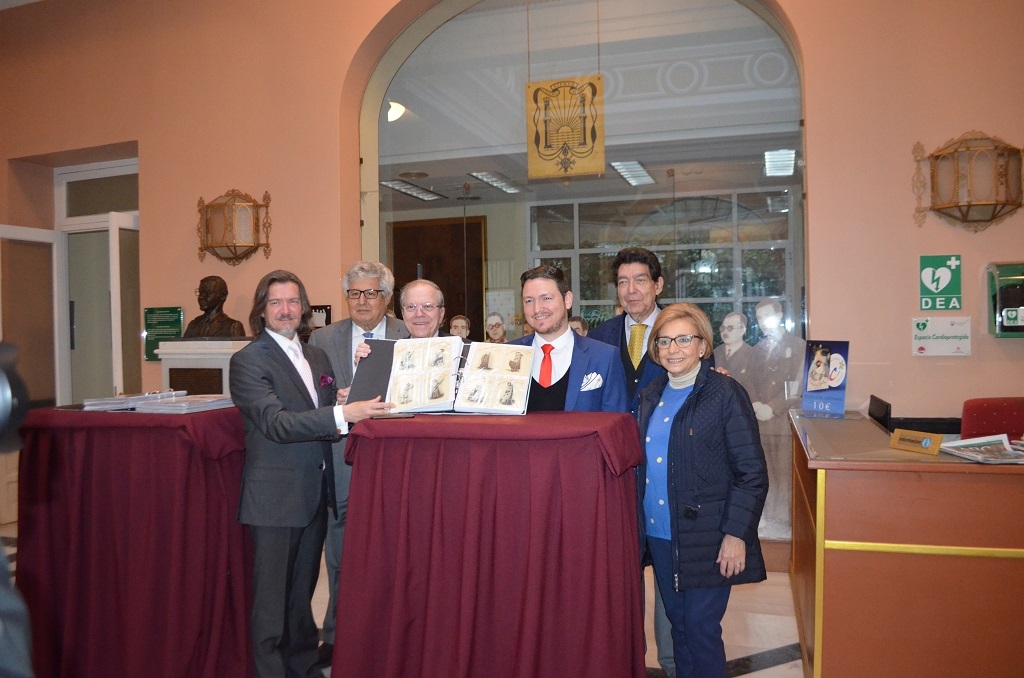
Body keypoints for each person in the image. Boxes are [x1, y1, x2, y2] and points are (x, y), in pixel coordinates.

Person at [230, 270, 395, 678]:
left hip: (314, 494)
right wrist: (343, 412)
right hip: (274, 500)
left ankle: (302, 668)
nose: (285, 310)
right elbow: (276, 423)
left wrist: (340, 398)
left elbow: (316, 408)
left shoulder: (315, 356)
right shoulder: (248, 360)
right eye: (275, 302)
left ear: (303, 307)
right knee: (271, 606)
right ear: (262, 310)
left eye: (292, 302)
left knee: (301, 600)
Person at [635, 303, 768, 678]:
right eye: (664, 341)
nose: (673, 349)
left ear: (703, 345)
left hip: (709, 536)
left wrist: (736, 534)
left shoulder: (725, 393)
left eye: (683, 339)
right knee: (678, 629)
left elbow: (751, 472)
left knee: (700, 630)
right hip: (661, 534)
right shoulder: (651, 395)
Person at [307, 261, 409, 668]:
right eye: (354, 294)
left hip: (396, 455)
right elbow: (311, 395)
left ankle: (392, 632)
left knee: (396, 548)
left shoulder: (409, 331)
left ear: (387, 297)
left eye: (371, 293)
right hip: (341, 454)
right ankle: (336, 635)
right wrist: (335, 399)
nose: (362, 301)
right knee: (339, 552)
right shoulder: (322, 337)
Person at [586, 246, 675, 674]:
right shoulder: (599, 337)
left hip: (666, 472)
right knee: (621, 569)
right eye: (623, 282)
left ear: (658, 285)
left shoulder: (681, 331)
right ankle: (628, 660)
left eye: (640, 280)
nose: (631, 289)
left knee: (669, 570)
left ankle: (672, 662)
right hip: (615, 472)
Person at [509, 265, 626, 413]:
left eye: (546, 298)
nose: (537, 309)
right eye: (529, 301)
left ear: (568, 300)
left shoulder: (604, 358)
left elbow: (617, 422)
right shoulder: (506, 355)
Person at [750, 299, 805, 539]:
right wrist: (755, 404)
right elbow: (749, 381)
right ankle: (768, 519)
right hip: (760, 421)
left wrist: (772, 407)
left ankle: (785, 523)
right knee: (765, 471)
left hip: (783, 421)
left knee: (784, 471)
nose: (763, 322)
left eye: (767, 317)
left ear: (780, 315)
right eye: (759, 318)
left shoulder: (799, 346)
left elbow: (797, 386)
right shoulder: (757, 350)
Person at [712, 311, 758, 397]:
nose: (725, 332)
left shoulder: (752, 355)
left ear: (742, 330)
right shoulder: (715, 352)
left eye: (730, 328)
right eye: (723, 328)